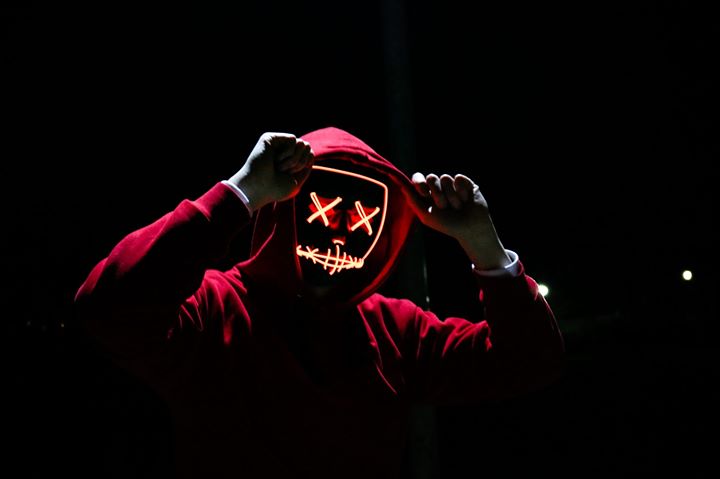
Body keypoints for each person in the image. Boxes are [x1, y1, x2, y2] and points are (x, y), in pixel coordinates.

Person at [75, 127, 564, 478]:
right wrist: (239, 193)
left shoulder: (393, 330)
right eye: (323, 208)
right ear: (284, 203)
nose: (342, 230)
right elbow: (108, 308)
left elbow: (529, 363)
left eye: (365, 215)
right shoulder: (216, 307)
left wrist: (484, 245)